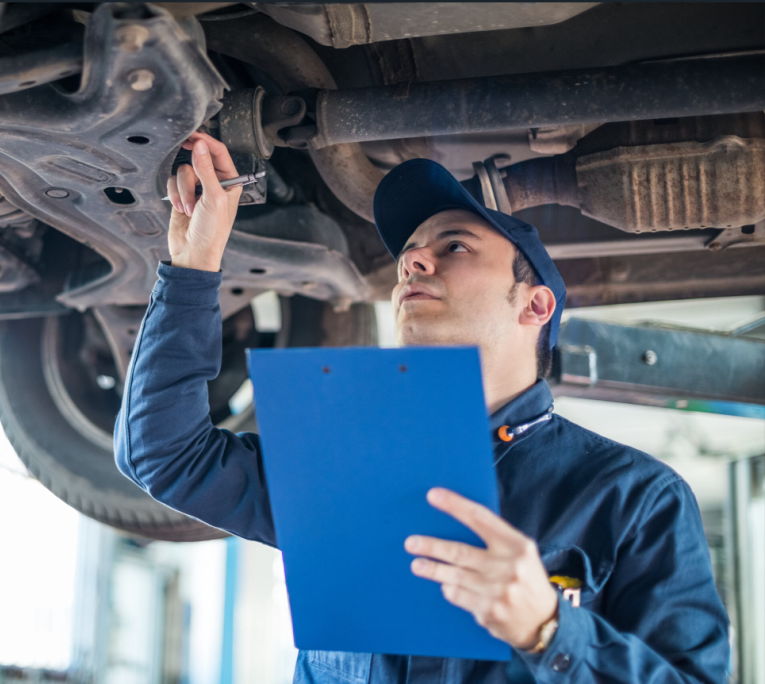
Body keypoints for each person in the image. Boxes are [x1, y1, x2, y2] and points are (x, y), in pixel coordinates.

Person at [113, 132, 729, 683]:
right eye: (408, 251)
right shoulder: (342, 466)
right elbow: (164, 455)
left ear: (535, 305)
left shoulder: (635, 498)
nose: (411, 260)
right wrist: (193, 266)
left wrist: (549, 629)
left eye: (455, 245)